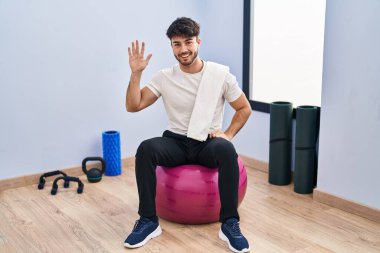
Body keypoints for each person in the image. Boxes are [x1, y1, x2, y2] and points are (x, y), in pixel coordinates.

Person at [124, 17, 251, 253]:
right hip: (177, 142)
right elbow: (134, 105)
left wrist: (228, 134)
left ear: (198, 42)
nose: (183, 49)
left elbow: (244, 108)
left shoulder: (220, 75)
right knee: (145, 148)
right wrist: (136, 74)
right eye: (177, 44)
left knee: (226, 149)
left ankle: (230, 223)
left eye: (188, 42)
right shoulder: (164, 77)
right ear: (171, 46)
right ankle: (149, 221)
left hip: (207, 143)